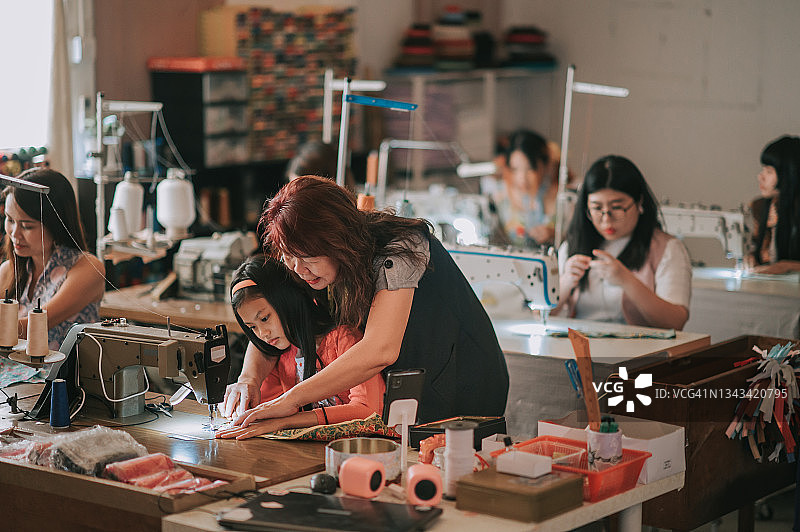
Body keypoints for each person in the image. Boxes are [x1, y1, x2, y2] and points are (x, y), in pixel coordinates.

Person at [227, 175, 508, 430]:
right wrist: (248, 379)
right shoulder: (306, 260)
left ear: (336, 239)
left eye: (307, 257)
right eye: (289, 256)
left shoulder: (402, 248)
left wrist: (290, 400)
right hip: (405, 389)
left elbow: (380, 349)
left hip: (464, 383)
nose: (298, 270)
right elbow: (278, 313)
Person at [217, 256, 384, 439]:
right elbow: (264, 410)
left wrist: (285, 421)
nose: (263, 333)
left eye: (265, 318)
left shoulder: (344, 340)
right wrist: (238, 409)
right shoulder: (281, 353)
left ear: (288, 301)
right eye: (252, 327)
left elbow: (368, 412)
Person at [554, 156, 691, 330]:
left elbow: (675, 322)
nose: (606, 219)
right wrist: (566, 282)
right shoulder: (572, 247)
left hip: (641, 352)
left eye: (617, 207)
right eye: (597, 208)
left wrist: (626, 280)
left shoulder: (667, 249)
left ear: (639, 202)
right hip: (580, 349)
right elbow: (540, 314)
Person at [0, 168, 105, 384]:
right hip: (17, 385)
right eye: (9, 220)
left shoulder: (87, 268)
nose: (14, 233)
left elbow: (33, 326)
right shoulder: (9, 271)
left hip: (65, 387)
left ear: (55, 224)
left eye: (27, 226)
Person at [493, 129, 562, 247]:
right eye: (515, 169)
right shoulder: (500, 195)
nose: (522, 178)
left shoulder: (561, 198)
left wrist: (556, 235)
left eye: (530, 169)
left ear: (545, 165)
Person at [745, 136, 800, 274]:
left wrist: (787, 266)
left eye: (769, 171)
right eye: (763, 170)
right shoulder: (760, 207)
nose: (760, 177)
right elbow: (757, 248)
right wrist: (751, 258)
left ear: (789, 175)